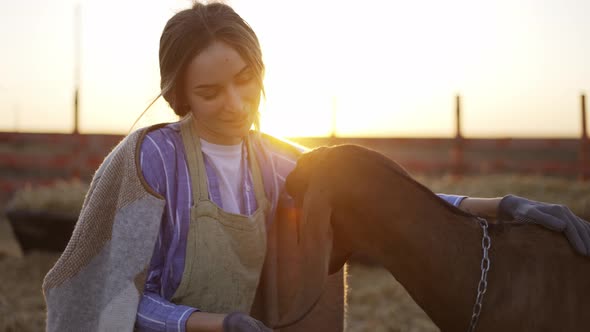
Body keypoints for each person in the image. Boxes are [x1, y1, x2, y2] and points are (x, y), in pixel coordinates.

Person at [42, 2, 590, 332]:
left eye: (245, 80)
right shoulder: (148, 163)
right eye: (209, 92)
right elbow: (109, 302)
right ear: (178, 96)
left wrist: (503, 208)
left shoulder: (279, 163)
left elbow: (384, 202)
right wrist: (211, 324)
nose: (235, 103)